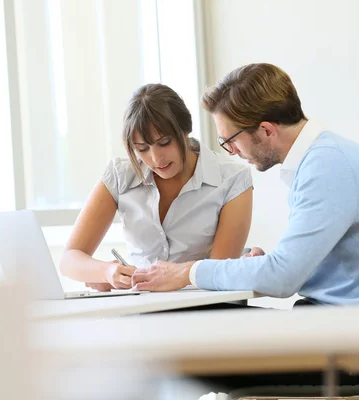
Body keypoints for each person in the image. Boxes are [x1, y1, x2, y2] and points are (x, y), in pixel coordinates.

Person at [132, 63, 359, 306]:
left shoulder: (327, 168)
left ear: (267, 130)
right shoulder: (325, 158)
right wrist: (255, 267)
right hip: (347, 324)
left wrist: (189, 272)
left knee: (193, 341)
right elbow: (292, 268)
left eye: (230, 141)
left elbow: (281, 279)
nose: (231, 152)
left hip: (350, 340)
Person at [59, 83, 253, 291]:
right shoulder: (121, 175)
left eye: (165, 142)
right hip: (140, 308)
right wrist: (106, 271)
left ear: (185, 129)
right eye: (142, 148)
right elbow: (69, 259)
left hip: (203, 305)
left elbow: (218, 272)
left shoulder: (232, 178)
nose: (155, 158)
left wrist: (177, 277)